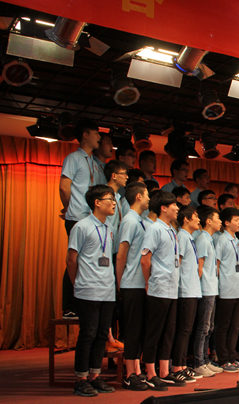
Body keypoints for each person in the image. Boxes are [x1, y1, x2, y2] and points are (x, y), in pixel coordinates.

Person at [66, 185, 117, 397]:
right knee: (88, 334)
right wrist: (77, 283)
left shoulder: (109, 228)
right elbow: (71, 259)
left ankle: (95, 376)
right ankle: (81, 379)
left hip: (107, 289)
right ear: (97, 203)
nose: (113, 203)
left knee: (102, 335)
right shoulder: (82, 227)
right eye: (109, 199)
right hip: (88, 289)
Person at [59, 119, 104, 318]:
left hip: (91, 218)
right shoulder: (74, 158)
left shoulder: (94, 163)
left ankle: (84, 302)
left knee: (87, 260)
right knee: (75, 258)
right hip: (77, 217)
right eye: (96, 133)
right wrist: (68, 207)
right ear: (85, 134)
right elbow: (64, 186)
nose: (99, 137)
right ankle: (69, 306)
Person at [140, 191, 182, 389]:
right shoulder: (154, 228)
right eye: (174, 205)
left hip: (172, 287)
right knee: (154, 331)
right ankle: (150, 372)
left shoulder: (171, 229)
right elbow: (145, 259)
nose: (177, 208)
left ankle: (164, 371)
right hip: (159, 286)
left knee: (169, 331)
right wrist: (149, 282)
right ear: (163, 208)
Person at [116, 182, 152, 391]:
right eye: (146, 195)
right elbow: (122, 254)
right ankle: (129, 374)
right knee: (132, 330)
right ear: (138, 197)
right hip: (131, 283)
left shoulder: (141, 220)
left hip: (141, 284)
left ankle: (137, 371)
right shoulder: (129, 220)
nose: (149, 199)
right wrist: (119, 283)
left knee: (140, 330)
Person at [169, 205, 201, 383]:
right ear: (186, 219)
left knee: (188, 329)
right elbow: (178, 262)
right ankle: (177, 366)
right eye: (195, 216)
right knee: (183, 329)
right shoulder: (181, 236)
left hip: (192, 288)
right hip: (184, 289)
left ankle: (182, 364)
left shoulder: (189, 237)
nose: (198, 220)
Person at [214, 208, 239, 372]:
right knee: (223, 325)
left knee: (236, 326)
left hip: (237, 288)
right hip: (226, 288)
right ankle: (223, 358)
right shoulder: (222, 239)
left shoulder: (237, 240)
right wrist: (219, 283)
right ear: (226, 222)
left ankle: (232, 356)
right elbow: (217, 264)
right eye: (236, 220)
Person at [192, 205, 223, 377]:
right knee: (203, 327)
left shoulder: (209, 239)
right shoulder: (203, 239)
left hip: (212, 287)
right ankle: (199, 362)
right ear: (209, 221)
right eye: (217, 219)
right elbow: (199, 266)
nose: (220, 222)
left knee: (209, 327)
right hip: (205, 289)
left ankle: (205, 359)